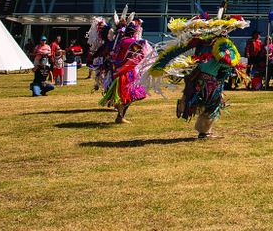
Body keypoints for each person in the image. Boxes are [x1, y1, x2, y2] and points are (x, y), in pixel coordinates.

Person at [142, 7, 250, 139]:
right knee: (212, 105)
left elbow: (176, 50)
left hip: (197, 76)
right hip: (210, 80)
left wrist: (160, 64)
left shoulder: (201, 42)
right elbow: (226, 61)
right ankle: (204, 131)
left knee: (201, 101)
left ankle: (185, 102)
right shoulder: (221, 44)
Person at [89, 10, 153, 124]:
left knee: (124, 95)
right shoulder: (132, 42)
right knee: (132, 94)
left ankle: (120, 114)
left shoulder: (119, 41)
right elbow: (140, 53)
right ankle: (120, 115)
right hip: (127, 72)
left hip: (115, 70)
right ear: (134, 33)